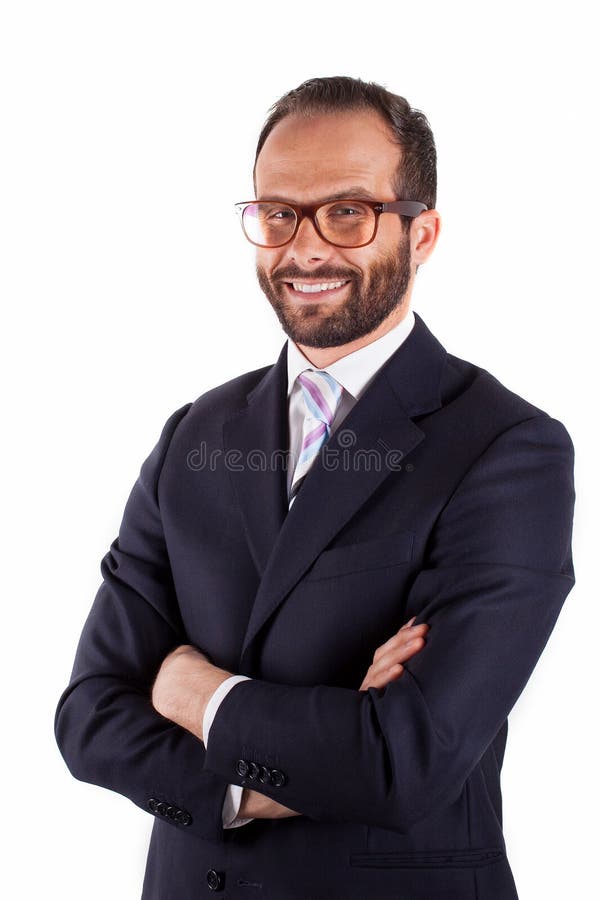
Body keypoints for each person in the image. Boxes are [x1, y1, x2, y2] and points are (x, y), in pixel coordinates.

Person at [54, 76, 576, 900]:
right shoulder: (195, 434)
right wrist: (254, 788)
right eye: (278, 213)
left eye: (348, 211)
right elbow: (89, 717)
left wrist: (196, 690)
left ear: (423, 233)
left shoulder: (509, 450)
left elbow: (403, 762)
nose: (305, 248)